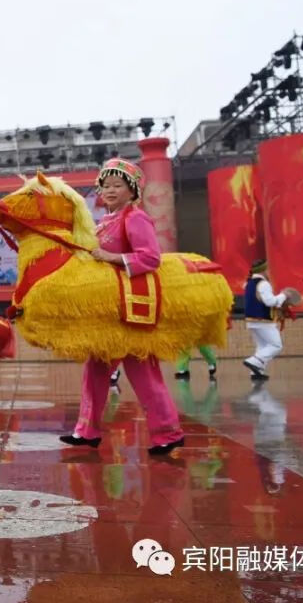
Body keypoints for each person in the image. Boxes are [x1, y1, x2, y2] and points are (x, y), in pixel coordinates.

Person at [60, 158, 185, 455]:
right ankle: (86, 430)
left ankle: (168, 433)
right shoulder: (103, 222)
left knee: (143, 374)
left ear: (132, 190)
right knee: (94, 372)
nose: (110, 190)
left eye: (117, 185)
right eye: (106, 185)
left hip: (131, 311)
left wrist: (111, 258)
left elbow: (151, 258)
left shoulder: (135, 218)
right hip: (108, 313)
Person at [243, 259, 290, 381]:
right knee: (276, 345)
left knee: (262, 347)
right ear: (263, 271)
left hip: (251, 320)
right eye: (268, 269)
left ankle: (256, 371)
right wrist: (283, 295)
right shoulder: (263, 283)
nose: (269, 272)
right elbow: (269, 302)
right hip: (263, 320)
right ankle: (254, 361)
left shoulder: (249, 283)